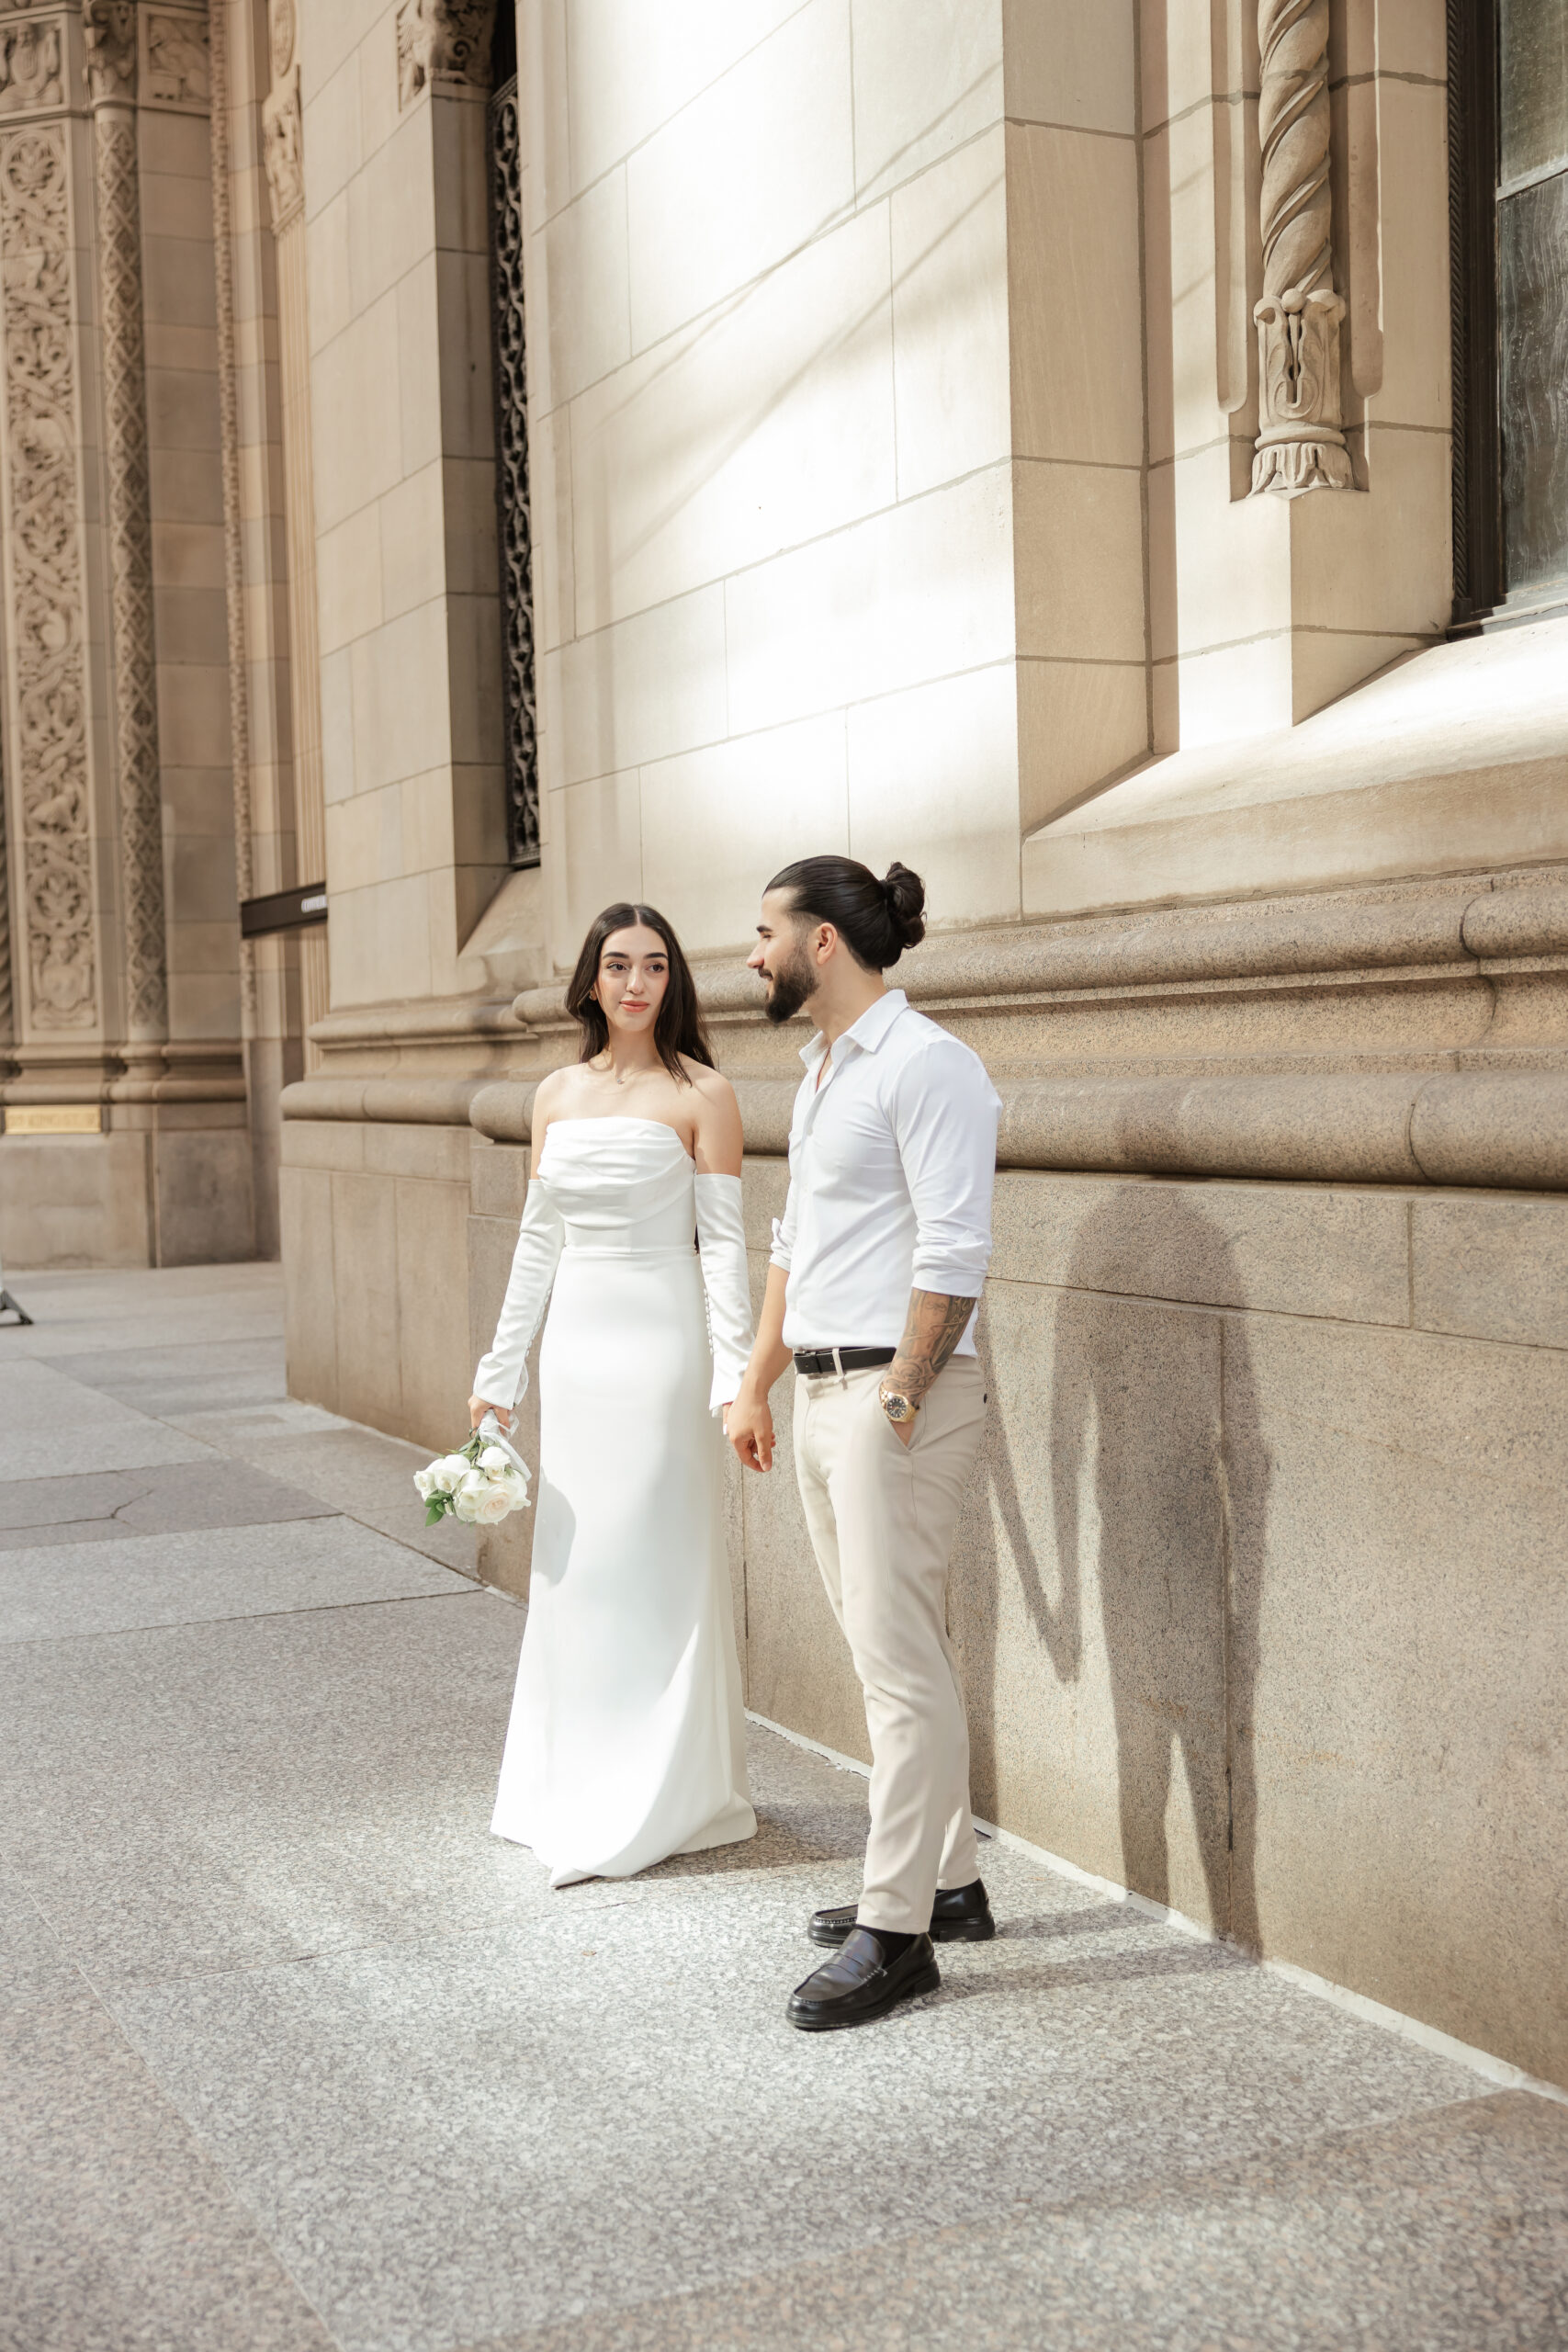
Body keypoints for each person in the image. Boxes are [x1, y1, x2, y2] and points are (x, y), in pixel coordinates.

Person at [726, 855, 1000, 2030]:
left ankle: (897, 1933)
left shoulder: (931, 1064)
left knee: (898, 1666)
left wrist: (898, 1402)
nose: (752, 955)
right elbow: (796, 1240)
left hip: (898, 1403)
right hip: (823, 1394)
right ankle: (952, 1886)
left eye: (763, 933)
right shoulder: (824, 1066)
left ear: (822, 943)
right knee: (889, 1650)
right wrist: (757, 1386)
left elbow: (953, 1251)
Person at [469, 904, 757, 1885]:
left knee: (654, 1553)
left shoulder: (706, 1094)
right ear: (592, 978)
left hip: (663, 1346)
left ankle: (668, 1787)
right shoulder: (554, 1093)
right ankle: (576, 1775)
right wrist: (497, 1376)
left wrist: (735, 1377)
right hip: (578, 1353)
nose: (637, 983)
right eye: (619, 965)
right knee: (579, 1566)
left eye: (656, 966)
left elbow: (723, 1248)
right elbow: (536, 1244)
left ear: (674, 983)